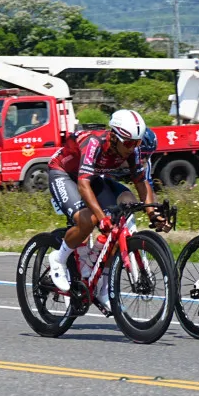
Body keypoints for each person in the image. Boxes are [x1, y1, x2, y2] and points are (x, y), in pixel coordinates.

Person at [44, 109, 160, 301]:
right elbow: (83, 185)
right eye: (130, 143)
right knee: (89, 220)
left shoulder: (132, 149)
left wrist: (153, 213)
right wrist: (102, 217)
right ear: (114, 137)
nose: (133, 148)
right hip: (64, 174)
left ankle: (104, 285)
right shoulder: (93, 143)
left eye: (137, 143)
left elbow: (141, 183)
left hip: (92, 177)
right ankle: (59, 258)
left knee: (126, 207)